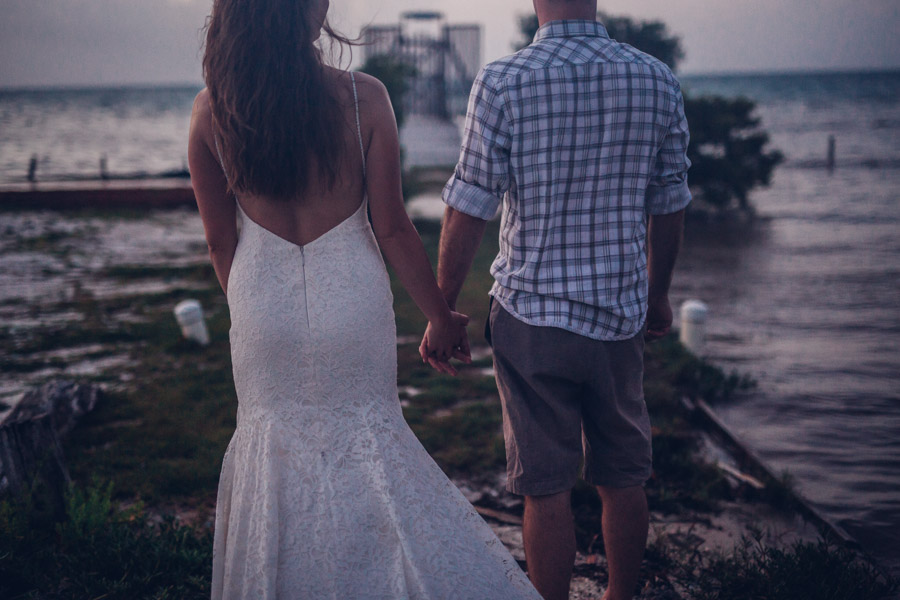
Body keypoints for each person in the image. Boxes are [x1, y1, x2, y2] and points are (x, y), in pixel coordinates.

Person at [188, 0, 543, 598]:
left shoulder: (210, 112)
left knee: (269, 449)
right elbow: (394, 227)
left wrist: (257, 310)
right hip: (350, 296)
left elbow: (220, 243)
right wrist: (442, 315)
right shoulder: (363, 98)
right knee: (370, 439)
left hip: (259, 301)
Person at [420, 1, 692, 599]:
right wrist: (659, 296)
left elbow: (469, 205)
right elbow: (669, 201)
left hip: (530, 317)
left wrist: (443, 310)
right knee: (624, 476)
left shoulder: (503, 81)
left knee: (544, 487)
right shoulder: (654, 79)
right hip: (619, 317)